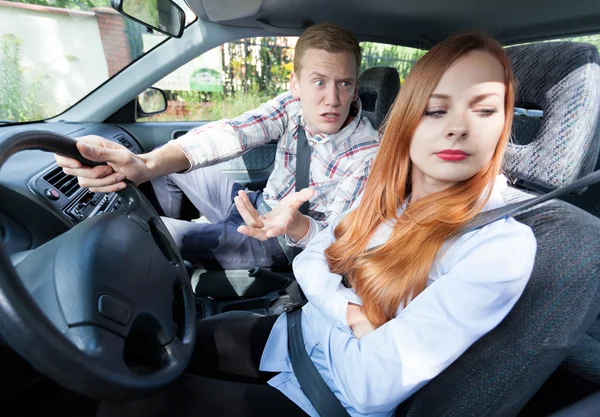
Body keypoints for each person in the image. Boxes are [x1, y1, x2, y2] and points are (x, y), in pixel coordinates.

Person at [98, 32, 537, 417]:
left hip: (323, 396)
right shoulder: (391, 193)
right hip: (291, 332)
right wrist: (351, 312)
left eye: (483, 110)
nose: (458, 128)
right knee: (154, 355)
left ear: (504, 124)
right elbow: (317, 255)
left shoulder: (499, 244)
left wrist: (327, 294)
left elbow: (369, 385)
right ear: (408, 118)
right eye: (437, 111)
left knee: (132, 399)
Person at [54, 23, 380, 270]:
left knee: (142, 229)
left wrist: (293, 224)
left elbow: (339, 242)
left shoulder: (368, 152)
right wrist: (146, 165)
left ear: (355, 89)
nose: (333, 99)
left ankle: (168, 248)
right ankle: (174, 267)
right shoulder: (291, 107)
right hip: (254, 202)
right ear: (296, 84)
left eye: (344, 84)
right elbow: (233, 133)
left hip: (280, 239)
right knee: (168, 168)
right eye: (319, 82)